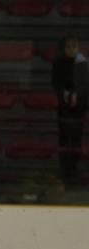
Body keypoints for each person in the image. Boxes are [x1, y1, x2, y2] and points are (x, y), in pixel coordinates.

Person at [51, 36, 89, 185]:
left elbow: (85, 84)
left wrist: (76, 94)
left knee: (76, 136)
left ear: (79, 48)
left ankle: (73, 167)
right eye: (68, 47)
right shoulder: (59, 63)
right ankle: (64, 167)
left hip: (79, 105)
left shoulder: (83, 63)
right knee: (64, 135)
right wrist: (66, 93)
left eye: (74, 47)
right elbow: (55, 83)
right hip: (64, 105)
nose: (71, 49)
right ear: (64, 48)